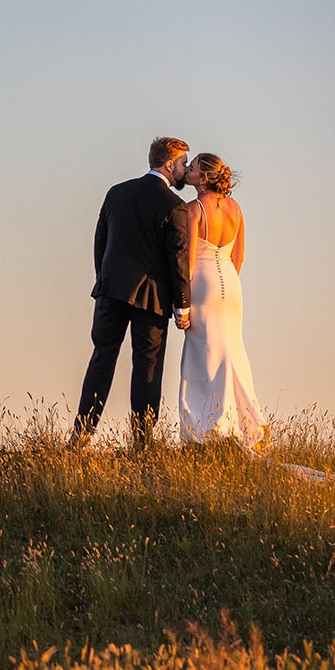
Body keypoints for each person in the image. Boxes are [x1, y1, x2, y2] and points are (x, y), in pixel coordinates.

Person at [70, 137, 193, 448]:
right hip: (152, 299)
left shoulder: (117, 193)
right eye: (182, 164)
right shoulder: (175, 206)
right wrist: (182, 306)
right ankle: (142, 440)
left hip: (110, 291)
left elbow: (100, 241)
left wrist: (106, 279)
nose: (184, 170)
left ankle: (80, 436)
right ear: (169, 164)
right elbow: (177, 258)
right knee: (148, 367)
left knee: (101, 359)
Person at [177, 153, 268, 447]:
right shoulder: (235, 208)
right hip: (230, 283)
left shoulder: (193, 210)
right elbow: (238, 256)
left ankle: (208, 427)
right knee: (232, 350)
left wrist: (185, 303)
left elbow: (188, 262)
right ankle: (243, 421)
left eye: (191, 168)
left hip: (203, 283)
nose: (187, 171)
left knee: (204, 354)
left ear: (203, 178)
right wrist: (228, 284)